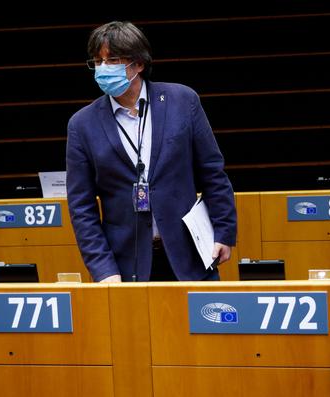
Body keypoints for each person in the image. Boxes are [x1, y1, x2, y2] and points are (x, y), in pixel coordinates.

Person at [66, 21, 237, 282]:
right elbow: (81, 206)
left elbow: (212, 172)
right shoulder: (82, 124)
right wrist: (103, 269)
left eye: (112, 60)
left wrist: (224, 232)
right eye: (97, 62)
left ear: (138, 64)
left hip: (189, 255)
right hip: (123, 266)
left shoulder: (183, 100)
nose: (103, 69)